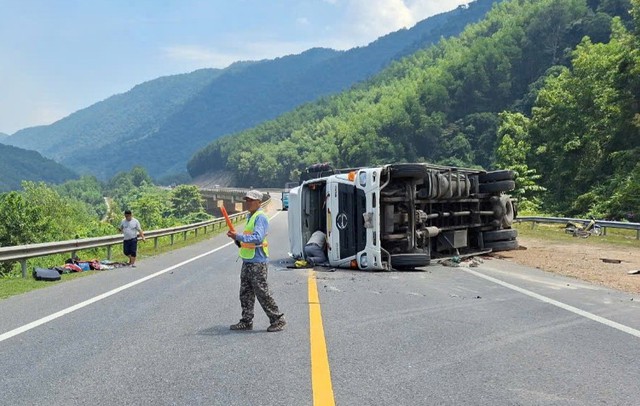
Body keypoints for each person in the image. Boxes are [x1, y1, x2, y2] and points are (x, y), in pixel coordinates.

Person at [227, 189, 286, 332]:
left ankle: (277, 319)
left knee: (262, 292)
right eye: (247, 200)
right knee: (245, 292)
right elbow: (248, 239)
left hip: (257, 262)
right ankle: (246, 321)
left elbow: (258, 238)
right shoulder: (250, 216)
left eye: (251, 200)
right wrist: (237, 240)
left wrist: (239, 237)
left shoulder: (260, 217)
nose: (248, 203)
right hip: (247, 259)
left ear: (259, 202)